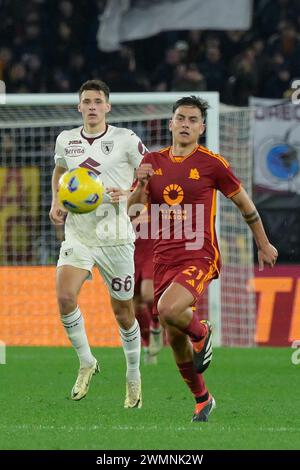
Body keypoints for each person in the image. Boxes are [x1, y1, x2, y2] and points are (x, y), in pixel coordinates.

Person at [128, 95, 278, 422]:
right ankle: (202, 398)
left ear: (202, 127)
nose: (185, 124)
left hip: (199, 255)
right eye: (180, 118)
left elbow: (245, 205)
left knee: (168, 310)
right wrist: (141, 183)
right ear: (170, 123)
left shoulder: (213, 164)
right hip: (163, 258)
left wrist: (263, 244)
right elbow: (134, 213)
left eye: (192, 120)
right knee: (172, 333)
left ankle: (202, 333)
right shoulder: (152, 161)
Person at [49, 79, 148, 408]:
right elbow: (60, 171)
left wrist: (131, 193)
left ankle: (133, 374)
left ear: (107, 106)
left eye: (97, 101)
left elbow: (150, 172)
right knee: (64, 296)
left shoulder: (125, 140)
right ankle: (87, 361)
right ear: (79, 107)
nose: (92, 106)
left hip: (115, 235)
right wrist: (56, 201)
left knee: (123, 313)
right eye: (86, 101)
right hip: (79, 232)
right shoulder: (67, 140)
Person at [132, 206, 163, 365]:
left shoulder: (154, 189)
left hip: (152, 249)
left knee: (148, 294)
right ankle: (147, 347)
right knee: (135, 305)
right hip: (131, 251)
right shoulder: (125, 190)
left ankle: (156, 326)